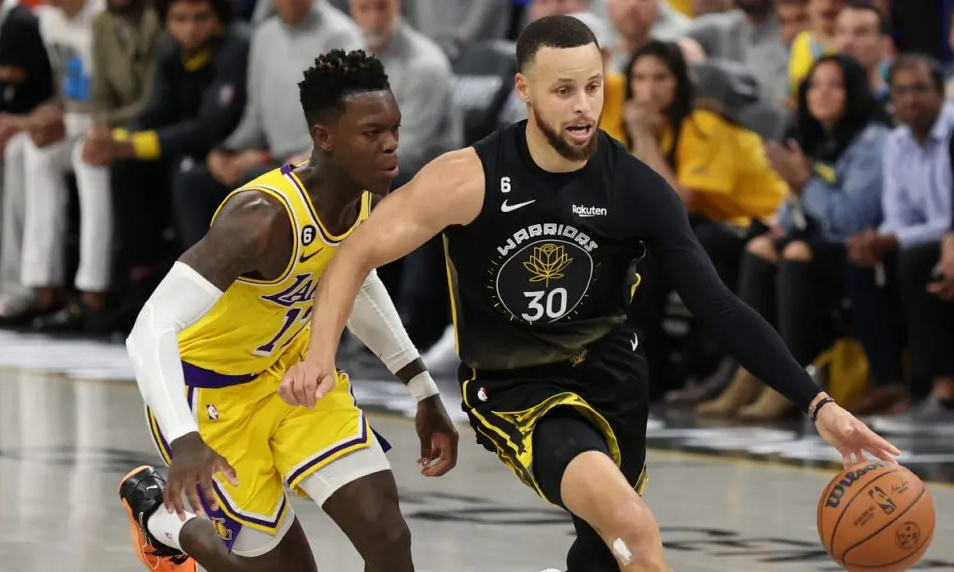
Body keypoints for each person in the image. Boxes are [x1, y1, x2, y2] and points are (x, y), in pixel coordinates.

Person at [282, 15, 901, 572]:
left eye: (594, 86)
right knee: (636, 531)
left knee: (602, 555)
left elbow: (718, 307)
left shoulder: (636, 188)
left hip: (614, 381)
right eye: (563, 90)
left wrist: (820, 405)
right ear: (523, 90)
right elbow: (356, 252)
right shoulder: (467, 178)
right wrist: (319, 354)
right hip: (518, 388)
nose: (584, 106)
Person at [117, 49, 459, 572]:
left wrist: (421, 386)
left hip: (297, 377)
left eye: (394, 128)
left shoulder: (363, 194)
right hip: (214, 399)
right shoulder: (260, 219)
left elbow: (354, 285)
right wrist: (185, 442)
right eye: (372, 133)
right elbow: (149, 329)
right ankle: (166, 519)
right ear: (325, 138)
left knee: (388, 537)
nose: (390, 144)